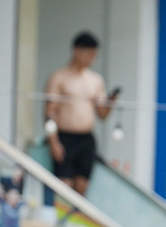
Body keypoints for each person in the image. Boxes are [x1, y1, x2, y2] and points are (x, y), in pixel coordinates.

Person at [44, 31, 117, 196]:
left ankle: (75, 221)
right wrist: (53, 141)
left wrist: (111, 100)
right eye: (89, 54)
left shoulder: (95, 80)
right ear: (77, 50)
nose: (91, 59)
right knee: (64, 187)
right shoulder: (59, 77)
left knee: (82, 187)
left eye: (94, 55)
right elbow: (50, 112)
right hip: (65, 137)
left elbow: (103, 114)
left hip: (86, 139)